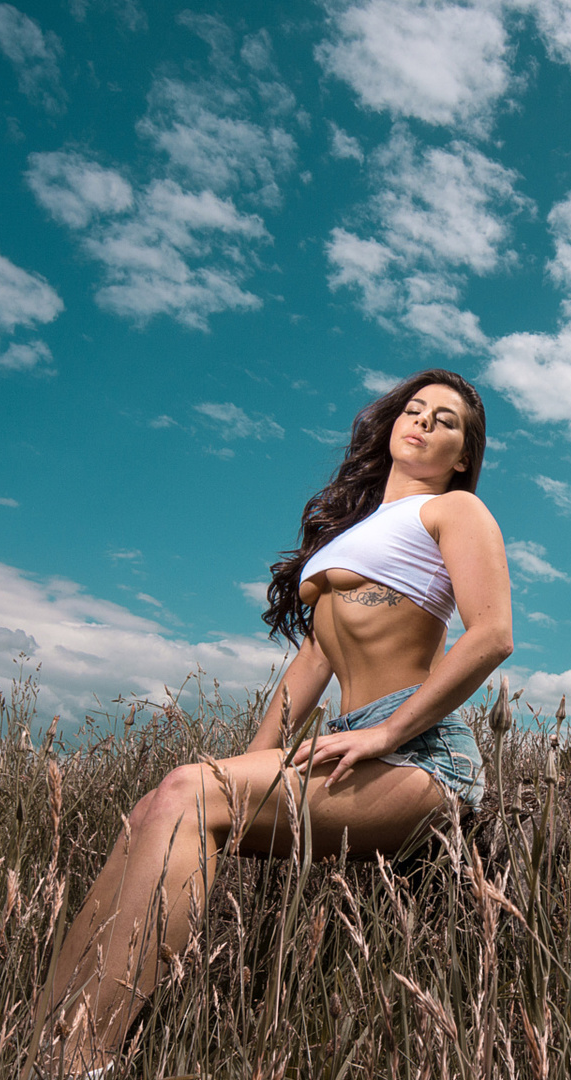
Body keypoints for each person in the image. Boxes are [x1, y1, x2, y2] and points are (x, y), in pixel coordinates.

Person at [35, 369, 513, 1076]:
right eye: (413, 410)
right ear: (389, 426)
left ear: (464, 457)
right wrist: (248, 761)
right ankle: (42, 1048)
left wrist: (386, 733)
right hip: (350, 736)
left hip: (418, 750)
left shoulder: (454, 513)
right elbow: (314, 660)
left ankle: (86, 1063)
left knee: (185, 793)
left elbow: (492, 635)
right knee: (158, 806)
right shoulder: (355, 532)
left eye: (445, 421)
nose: (423, 423)